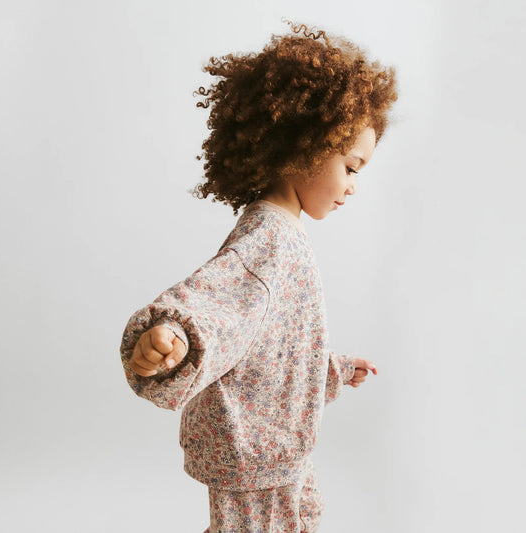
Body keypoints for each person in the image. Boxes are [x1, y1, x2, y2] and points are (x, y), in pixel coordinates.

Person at [120, 21, 397, 532]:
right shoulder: (267, 239)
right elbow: (216, 301)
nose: (353, 186)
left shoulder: (284, 233)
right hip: (255, 455)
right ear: (305, 147)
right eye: (351, 167)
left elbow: (273, 346)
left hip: (275, 449)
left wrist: (330, 369)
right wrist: (174, 333)